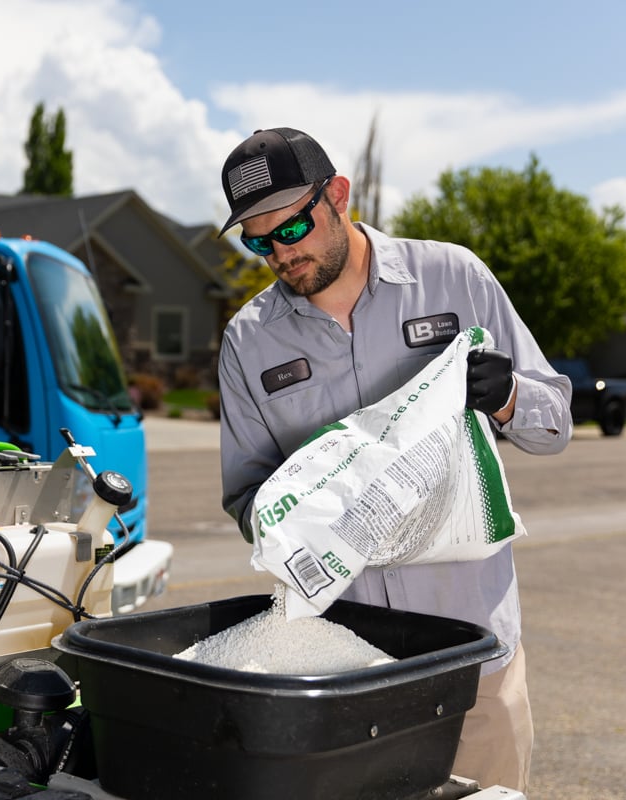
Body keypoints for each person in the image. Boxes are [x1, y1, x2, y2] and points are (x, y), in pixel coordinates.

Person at [215, 127, 572, 792]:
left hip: (471, 654)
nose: (279, 255)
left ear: (339, 195)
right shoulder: (247, 341)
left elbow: (554, 425)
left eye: (290, 229)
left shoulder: (453, 277)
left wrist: (509, 399)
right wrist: (290, 518)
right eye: (257, 242)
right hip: (342, 664)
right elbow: (245, 494)